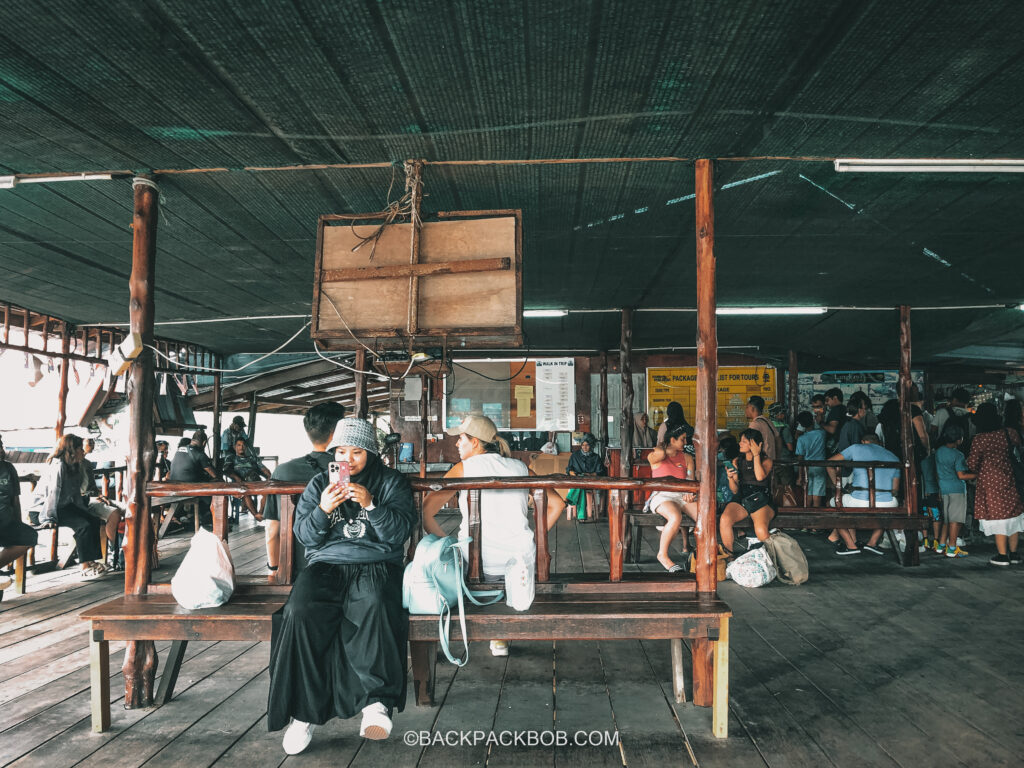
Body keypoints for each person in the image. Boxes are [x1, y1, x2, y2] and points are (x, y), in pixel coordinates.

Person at [269, 418, 415, 755]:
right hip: (326, 565)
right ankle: (303, 716)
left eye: (357, 451)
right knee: (300, 611)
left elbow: (398, 534)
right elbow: (304, 535)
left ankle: (376, 705)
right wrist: (323, 508)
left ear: (371, 452)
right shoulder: (320, 482)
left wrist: (371, 505)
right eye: (341, 451)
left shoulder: (391, 482)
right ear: (333, 452)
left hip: (376, 562)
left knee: (376, 602)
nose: (348, 458)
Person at [421, 415, 565, 657]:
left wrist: (450, 547)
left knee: (457, 558)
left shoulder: (463, 469)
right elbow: (557, 505)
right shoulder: (520, 468)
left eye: (461, 439)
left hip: (477, 564)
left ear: (476, 442)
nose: (457, 444)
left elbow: (425, 513)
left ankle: (483, 630)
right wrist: (535, 538)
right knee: (509, 556)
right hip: (521, 560)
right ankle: (499, 638)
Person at [263, 402, 346, 574]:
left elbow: (272, 530)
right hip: (345, 563)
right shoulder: (349, 470)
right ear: (335, 433)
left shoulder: (282, 471)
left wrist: (273, 569)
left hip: (297, 570)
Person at [27, 434, 107, 579]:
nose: (83, 452)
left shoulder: (74, 465)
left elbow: (75, 493)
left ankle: (91, 561)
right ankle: (84, 567)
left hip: (61, 507)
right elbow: (53, 493)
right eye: (80, 449)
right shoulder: (59, 465)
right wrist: (48, 518)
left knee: (93, 520)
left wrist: (83, 511)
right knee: (83, 525)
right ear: (72, 450)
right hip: (42, 510)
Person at [967, 402, 1023, 566]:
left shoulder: (979, 439)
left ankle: (1002, 555)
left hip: (990, 483)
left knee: (999, 517)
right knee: (1013, 516)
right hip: (1012, 479)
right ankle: (1014, 554)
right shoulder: (1009, 433)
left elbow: (972, 464)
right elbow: (1019, 450)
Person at [827, 434, 900, 556]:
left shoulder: (856, 448)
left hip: (859, 501)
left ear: (863, 441)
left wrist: (838, 486)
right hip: (886, 503)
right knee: (892, 505)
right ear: (879, 443)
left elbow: (829, 463)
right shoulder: (894, 457)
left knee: (836, 503)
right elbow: (895, 490)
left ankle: (851, 546)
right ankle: (872, 543)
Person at [647, 424, 697, 572]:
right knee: (675, 516)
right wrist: (663, 446)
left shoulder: (687, 457)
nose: (686, 443)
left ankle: (699, 553)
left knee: (704, 516)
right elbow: (661, 455)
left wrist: (691, 493)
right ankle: (663, 555)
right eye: (682, 439)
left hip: (682, 495)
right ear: (672, 439)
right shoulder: (655, 455)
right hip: (662, 495)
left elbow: (690, 481)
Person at [719, 429, 775, 556]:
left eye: (744, 441)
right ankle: (729, 557)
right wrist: (730, 478)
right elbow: (734, 489)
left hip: (760, 498)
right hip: (742, 496)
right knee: (725, 519)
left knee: (761, 530)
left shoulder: (766, 461)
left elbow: (760, 477)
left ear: (755, 444)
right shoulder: (737, 461)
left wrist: (756, 455)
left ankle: (772, 559)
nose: (740, 443)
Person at [0, 435, 35, 599]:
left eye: (0, 445)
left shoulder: (8, 468)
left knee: (29, 535)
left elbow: (15, 499)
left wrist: (18, 522)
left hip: (6, 521)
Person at [934, 424, 975, 559]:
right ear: (959, 439)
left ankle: (941, 545)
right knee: (955, 520)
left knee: (947, 519)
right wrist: (978, 475)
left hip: (944, 488)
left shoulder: (939, 451)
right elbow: (961, 476)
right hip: (957, 489)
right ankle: (952, 548)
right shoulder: (958, 454)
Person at [167, 430, 218, 527]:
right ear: (204, 443)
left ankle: (199, 516)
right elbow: (214, 474)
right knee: (213, 489)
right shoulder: (199, 454)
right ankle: (212, 520)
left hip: (173, 486)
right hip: (187, 488)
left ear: (192, 440)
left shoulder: (180, 449)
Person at [223, 437, 272, 520]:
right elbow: (226, 470)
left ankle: (260, 513)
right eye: (239, 445)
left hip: (256, 482)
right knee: (245, 493)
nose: (241, 447)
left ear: (246, 447)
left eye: (243, 445)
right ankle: (256, 515)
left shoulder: (253, 458)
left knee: (268, 492)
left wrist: (270, 477)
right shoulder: (231, 458)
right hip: (242, 483)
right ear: (235, 447)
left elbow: (264, 469)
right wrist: (236, 478)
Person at [566, 433, 606, 522]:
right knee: (581, 486)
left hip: (590, 481)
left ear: (591, 446)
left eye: (587, 445)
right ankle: (581, 516)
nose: (584, 447)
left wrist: (589, 475)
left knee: (581, 485)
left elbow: (600, 472)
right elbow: (569, 469)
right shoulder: (575, 455)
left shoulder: (596, 457)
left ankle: (570, 499)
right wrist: (572, 473)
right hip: (577, 481)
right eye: (583, 445)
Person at [795, 411, 826, 507]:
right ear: (813, 420)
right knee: (817, 495)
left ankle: (807, 514)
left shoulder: (801, 439)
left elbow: (800, 458)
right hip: (820, 467)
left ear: (801, 425)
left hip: (806, 468)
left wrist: (800, 476)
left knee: (807, 494)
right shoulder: (822, 434)